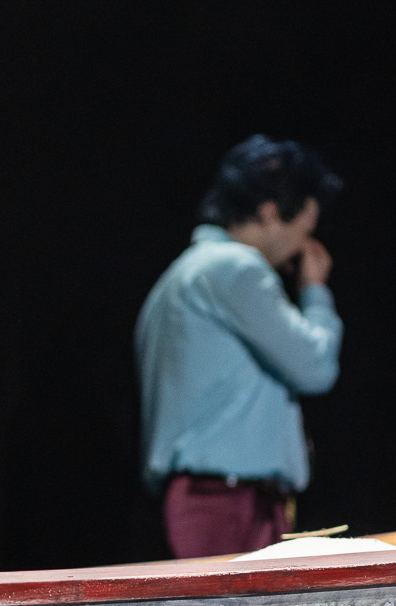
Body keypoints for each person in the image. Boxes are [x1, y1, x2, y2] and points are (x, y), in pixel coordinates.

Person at [135, 135, 343, 559]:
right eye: (304, 230)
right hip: (227, 502)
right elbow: (315, 366)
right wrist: (314, 291)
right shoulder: (234, 267)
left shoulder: (180, 277)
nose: (303, 248)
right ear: (270, 213)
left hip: (215, 497)